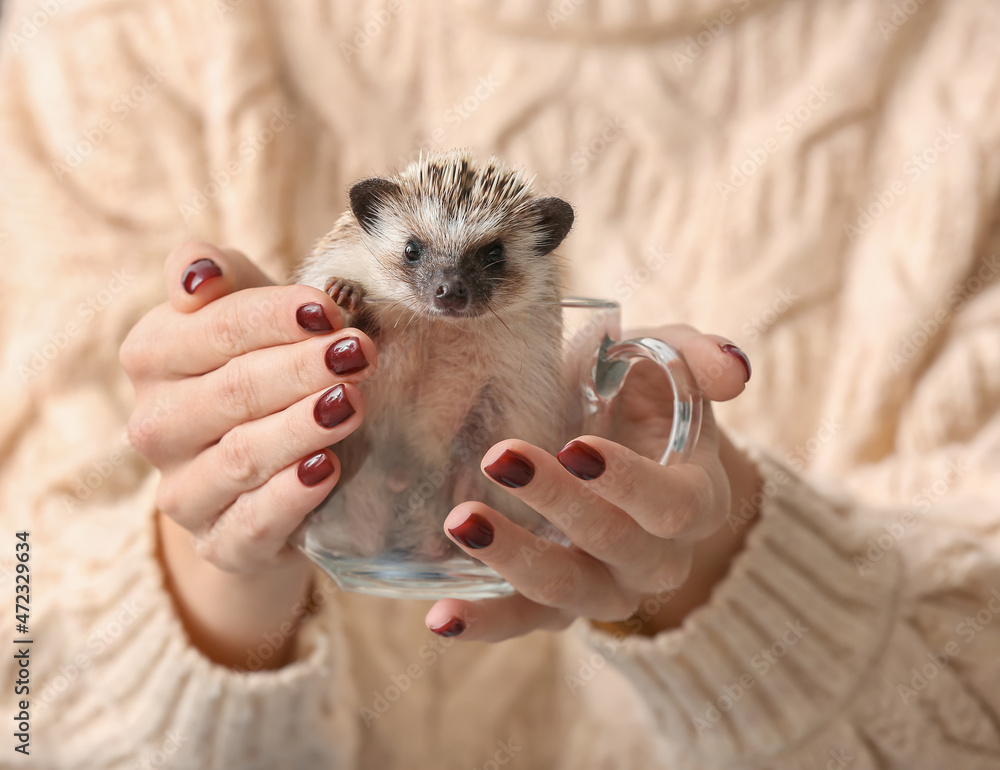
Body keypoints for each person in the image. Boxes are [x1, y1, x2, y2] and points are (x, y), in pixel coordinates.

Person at [1, 0, 999, 767]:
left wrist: (724, 573)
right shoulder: (125, 41)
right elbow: (24, 690)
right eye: (423, 258)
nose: (446, 287)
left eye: (486, 265)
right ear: (371, 226)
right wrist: (213, 566)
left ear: (541, 253)